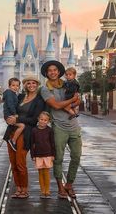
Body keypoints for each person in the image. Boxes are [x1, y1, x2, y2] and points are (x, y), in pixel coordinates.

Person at [40, 60, 81, 199]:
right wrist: (71, 101)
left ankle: (69, 184)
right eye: (50, 70)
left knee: (76, 156)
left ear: (59, 72)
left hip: (74, 126)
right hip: (59, 127)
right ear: (46, 73)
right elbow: (55, 106)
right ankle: (59, 187)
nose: (52, 72)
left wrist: (74, 100)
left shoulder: (68, 84)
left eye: (55, 70)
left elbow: (78, 100)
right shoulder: (45, 89)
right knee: (58, 159)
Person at [3, 76, 45, 199]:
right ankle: (18, 188)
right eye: (28, 83)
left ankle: (25, 190)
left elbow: (33, 120)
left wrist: (17, 119)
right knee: (13, 163)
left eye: (33, 83)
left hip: (25, 133)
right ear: (25, 85)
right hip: (11, 131)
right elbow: (9, 107)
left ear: (37, 85)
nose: (31, 85)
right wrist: (8, 119)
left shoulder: (39, 100)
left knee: (20, 163)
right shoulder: (20, 97)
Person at [31, 111, 55, 199]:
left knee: (46, 172)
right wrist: (32, 155)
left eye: (45, 120)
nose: (43, 121)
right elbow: (32, 144)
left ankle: (47, 190)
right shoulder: (34, 130)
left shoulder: (49, 130)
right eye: (41, 119)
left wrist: (53, 154)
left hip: (48, 154)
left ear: (48, 121)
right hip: (38, 154)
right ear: (38, 119)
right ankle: (42, 191)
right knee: (40, 172)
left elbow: (52, 143)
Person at [3, 78, 25, 151]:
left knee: (13, 125)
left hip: (9, 114)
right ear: (9, 86)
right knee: (22, 126)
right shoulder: (9, 93)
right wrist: (15, 114)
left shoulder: (13, 93)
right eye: (13, 85)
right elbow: (10, 104)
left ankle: (6, 137)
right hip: (9, 115)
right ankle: (13, 140)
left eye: (17, 85)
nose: (15, 87)